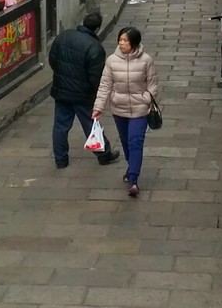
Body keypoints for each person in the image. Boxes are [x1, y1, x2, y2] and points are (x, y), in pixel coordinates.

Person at [92, 26, 159, 198]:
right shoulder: (112, 61)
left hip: (140, 109)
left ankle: (133, 179)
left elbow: (153, 84)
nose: (121, 43)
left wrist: (146, 97)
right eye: (120, 40)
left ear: (134, 43)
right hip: (119, 108)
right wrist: (98, 107)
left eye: (125, 40)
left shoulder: (146, 60)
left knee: (135, 141)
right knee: (125, 141)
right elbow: (105, 85)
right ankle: (131, 168)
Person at [48, 10, 118, 169]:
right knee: (91, 124)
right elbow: (95, 77)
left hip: (61, 90)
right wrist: (97, 96)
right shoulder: (95, 47)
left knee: (60, 125)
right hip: (82, 94)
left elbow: (53, 60)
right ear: (97, 29)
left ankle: (61, 160)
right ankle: (104, 154)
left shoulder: (63, 36)